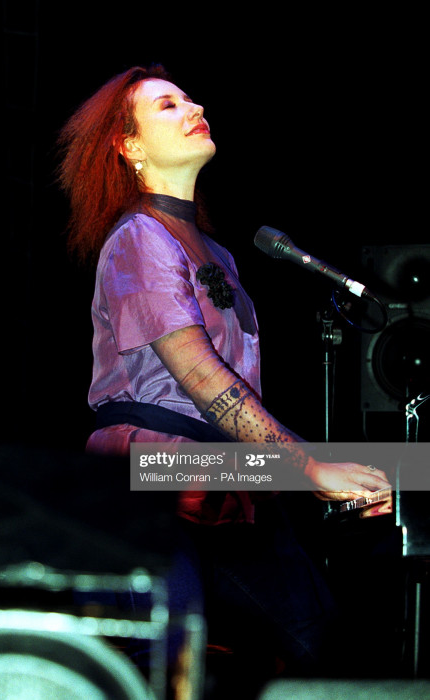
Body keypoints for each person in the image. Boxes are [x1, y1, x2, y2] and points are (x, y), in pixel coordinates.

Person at [57, 65, 392, 694]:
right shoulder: (138, 238)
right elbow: (200, 375)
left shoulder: (220, 253)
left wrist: (318, 467)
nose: (193, 104)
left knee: (317, 644)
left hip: (223, 474)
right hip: (150, 476)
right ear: (129, 147)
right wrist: (308, 468)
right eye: (167, 104)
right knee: (177, 661)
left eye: (189, 97)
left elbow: (236, 397)